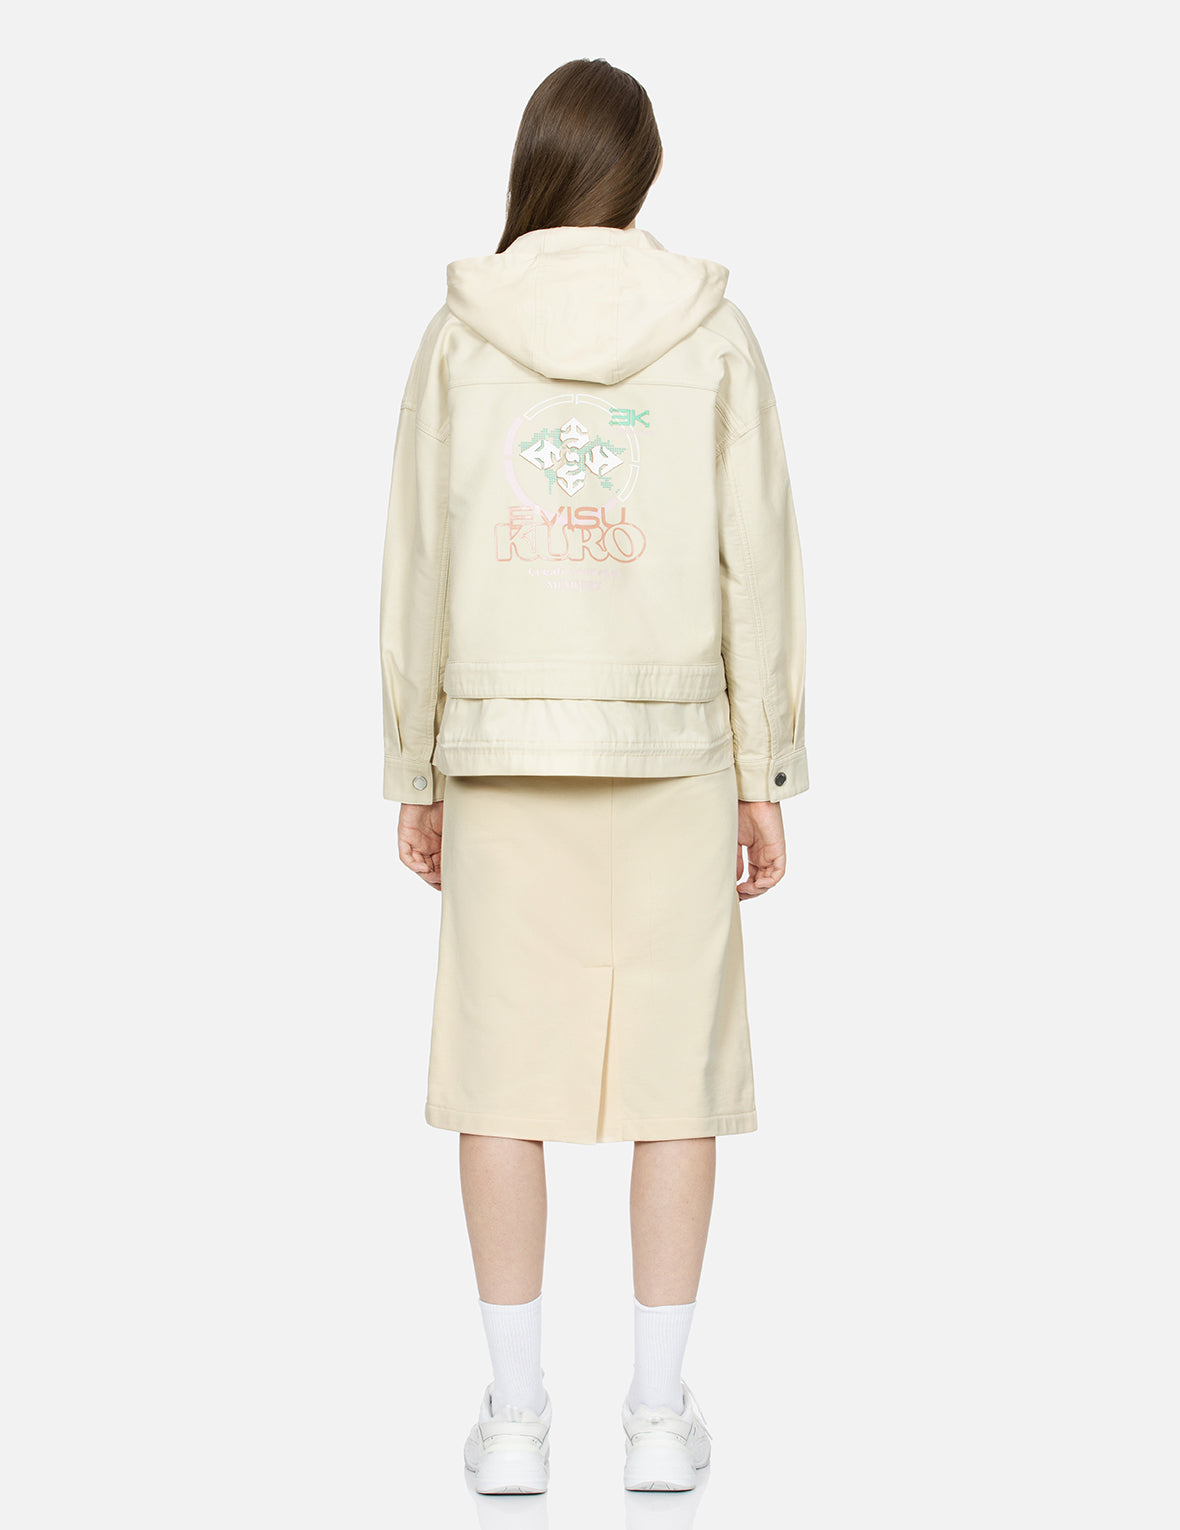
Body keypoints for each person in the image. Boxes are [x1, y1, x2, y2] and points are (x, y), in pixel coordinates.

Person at [378, 57, 808, 1496]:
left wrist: (415, 762)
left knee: (500, 1078)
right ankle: (659, 1415)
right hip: (675, 754)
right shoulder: (713, 331)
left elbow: (417, 562)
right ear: (643, 173)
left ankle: (513, 1422)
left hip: (503, 756)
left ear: (538, 165)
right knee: (675, 1082)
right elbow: (758, 560)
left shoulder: (460, 336)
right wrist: (763, 766)